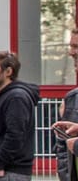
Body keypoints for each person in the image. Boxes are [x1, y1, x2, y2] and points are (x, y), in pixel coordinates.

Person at [0, 50, 38, 181]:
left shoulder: (16, 97)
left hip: (8, 173)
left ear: (8, 72)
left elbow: (15, 135)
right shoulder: (8, 96)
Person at [52, 29, 78, 181]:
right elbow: (62, 147)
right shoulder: (71, 98)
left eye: (76, 46)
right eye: (71, 47)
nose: (71, 52)